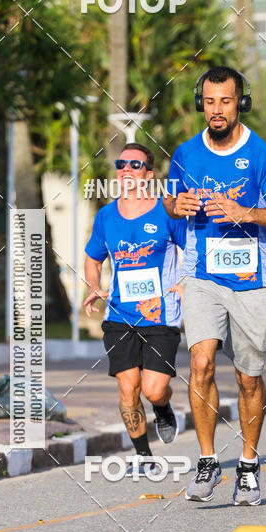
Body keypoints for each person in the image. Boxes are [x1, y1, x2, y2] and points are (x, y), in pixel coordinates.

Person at [164, 65, 266, 505]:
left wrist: (250, 214)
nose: (217, 110)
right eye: (209, 101)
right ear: (200, 101)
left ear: (240, 102)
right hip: (201, 275)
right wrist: (175, 204)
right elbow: (169, 200)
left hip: (252, 280)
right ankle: (207, 461)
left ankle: (247, 465)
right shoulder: (185, 153)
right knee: (201, 362)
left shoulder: (260, 154)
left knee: (248, 378)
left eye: (226, 101)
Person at [84, 143, 187, 474]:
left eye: (135, 164)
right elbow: (92, 257)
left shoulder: (166, 211)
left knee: (152, 389)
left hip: (162, 315)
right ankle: (144, 456)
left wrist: (185, 281)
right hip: (119, 314)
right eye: (121, 164)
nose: (126, 169)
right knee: (128, 387)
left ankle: (163, 405)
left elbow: (195, 249)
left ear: (148, 173)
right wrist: (93, 285)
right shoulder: (106, 216)